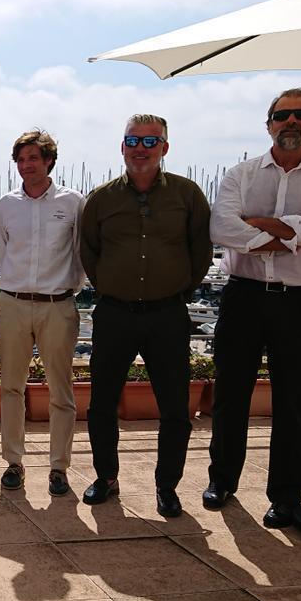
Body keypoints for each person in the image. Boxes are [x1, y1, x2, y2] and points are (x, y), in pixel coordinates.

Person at [205, 89, 301, 528]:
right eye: (281, 114)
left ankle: (286, 496)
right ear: (268, 123)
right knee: (230, 396)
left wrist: (257, 225)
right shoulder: (242, 174)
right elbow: (221, 226)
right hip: (244, 295)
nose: (291, 121)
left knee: (294, 402)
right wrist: (295, 230)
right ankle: (222, 479)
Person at [80, 114, 212, 518]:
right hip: (115, 313)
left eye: (150, 142)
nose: (140, 149)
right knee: (102, 404)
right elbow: (89, 251)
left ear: (164, 149)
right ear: (122, 147)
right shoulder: (101, 199)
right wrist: (108, 287)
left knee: (175, 408)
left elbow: (200, 253)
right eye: (133, 141)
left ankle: (166, 486)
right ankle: (106, 477)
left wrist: (177, 291)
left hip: (167, 315)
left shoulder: (188, 196)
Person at [0, 130, 86, 494]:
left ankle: (58, 467)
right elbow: (3, 251)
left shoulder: (73, 202)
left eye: (33, 157)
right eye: (20, 159)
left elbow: (80, 254)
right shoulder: (6, 204)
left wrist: (66, 289)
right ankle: (13, 462)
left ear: (49, 160)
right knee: (10, 387)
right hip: (12, 303)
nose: (26, 165)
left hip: (57, 306)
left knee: (60, 391)